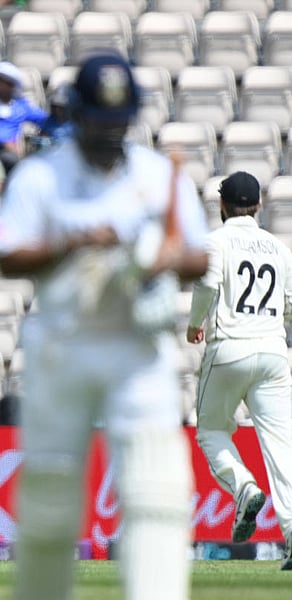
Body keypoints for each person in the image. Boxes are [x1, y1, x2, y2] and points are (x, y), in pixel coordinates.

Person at [0, 53, 210, 600]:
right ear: (77, 116)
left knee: (156, 488)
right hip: (63, 345)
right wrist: (74, 242)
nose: (111, 132)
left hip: (137, 347)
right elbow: (6, 256)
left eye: (120, 121)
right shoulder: (43, 175)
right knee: (51, 494)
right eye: (100, 121)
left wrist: (160, 256)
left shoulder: (159, 175)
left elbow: (199, 260)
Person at [186, 171, 292, 571]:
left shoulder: (216, 241)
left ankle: (243, 485)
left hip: (229, 347)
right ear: (260, 205)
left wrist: (196, 323)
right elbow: (290, 305)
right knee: (282, 448)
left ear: (222, 205)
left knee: (211, 429)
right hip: (272, 352)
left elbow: (208, 287)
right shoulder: (278, 248)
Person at [0, 61, 48, 173]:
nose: (0, 84)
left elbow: (43, 119)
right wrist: (3, 142)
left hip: (10, 152)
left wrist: (48, 129)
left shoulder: (20, 105)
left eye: (6, 82)